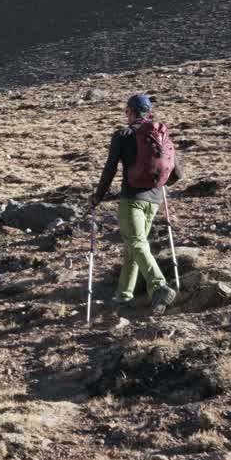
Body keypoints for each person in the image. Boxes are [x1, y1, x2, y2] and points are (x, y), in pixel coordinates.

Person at [89, 93, 183, 315]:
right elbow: (178, 173)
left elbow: (110, 169)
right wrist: (159, 185)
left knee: (136, 242)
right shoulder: (161, 136)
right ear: (148, 113)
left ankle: (159, 285)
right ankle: (123, 296)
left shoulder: (123, 135)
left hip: (132, 199)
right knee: (134, 245)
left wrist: (98, 196)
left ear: (130, 112)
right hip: (155, 199)